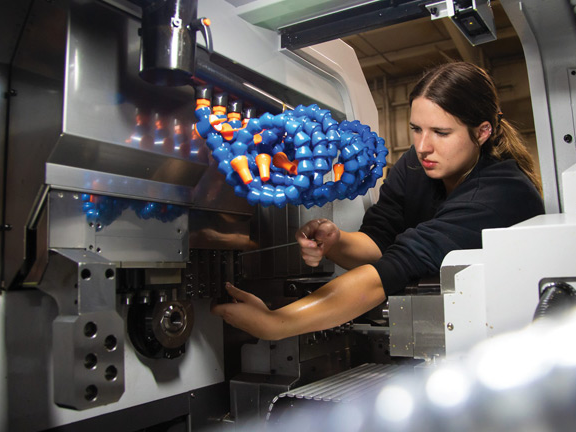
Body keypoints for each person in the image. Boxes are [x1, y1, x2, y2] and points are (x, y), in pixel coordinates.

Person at [211, 62, 545, 340]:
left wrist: (274, 324)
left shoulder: (501, 193)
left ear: (482, 132)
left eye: (441, 133)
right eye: (416, 129)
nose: (423, 146)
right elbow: (380, 240)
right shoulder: (416, 166)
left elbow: (392, 269)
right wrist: (337, 242)